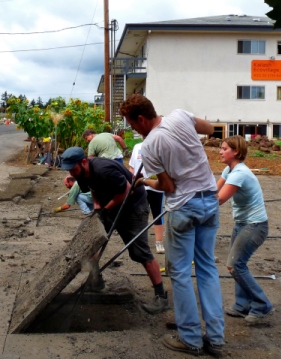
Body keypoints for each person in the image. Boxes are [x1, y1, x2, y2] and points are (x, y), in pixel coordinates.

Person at [120, 94, 224, 358]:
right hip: (209, 200)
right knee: (207, 269)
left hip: (184, 207)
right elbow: (210, 129)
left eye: (133, 125)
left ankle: (190, 339)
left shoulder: (150, 145)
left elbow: (168, 187)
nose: (134, 130)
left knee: (179, 273)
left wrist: (145, 182)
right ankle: (215, 338)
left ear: (141, 119)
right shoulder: (179, 115)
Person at [60, 146, 169, 314]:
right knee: (90, 241)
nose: (70, 173)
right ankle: (97, 282)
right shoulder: (80, 173)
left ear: (83, 162)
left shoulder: (104, 170)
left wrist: (106, 209)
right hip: (110, 205)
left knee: (140, 252)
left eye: (72, 168)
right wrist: (98, 210)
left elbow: (126, 191)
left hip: (133, 206)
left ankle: (161, 296)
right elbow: (94, 189)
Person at [217, 135, 274, 324]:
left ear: (236, 152)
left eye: (224, 148)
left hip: (255, 226)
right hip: (242, 224)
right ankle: (242, 305)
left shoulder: (239, 173)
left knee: (235, 265)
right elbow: (213, 191)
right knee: (237, 264)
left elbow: (218, 199)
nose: (220, 151)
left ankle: (262, 305)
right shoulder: (228, 169)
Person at [129, 141, 165, 254]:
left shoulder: (160, 146)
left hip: (155, 185)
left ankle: (159, 242)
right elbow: (131, 167)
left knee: (157, 213)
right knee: (138, 214)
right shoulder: (137, 147)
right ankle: (138, 241)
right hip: (139, 186)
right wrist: (131, 181)